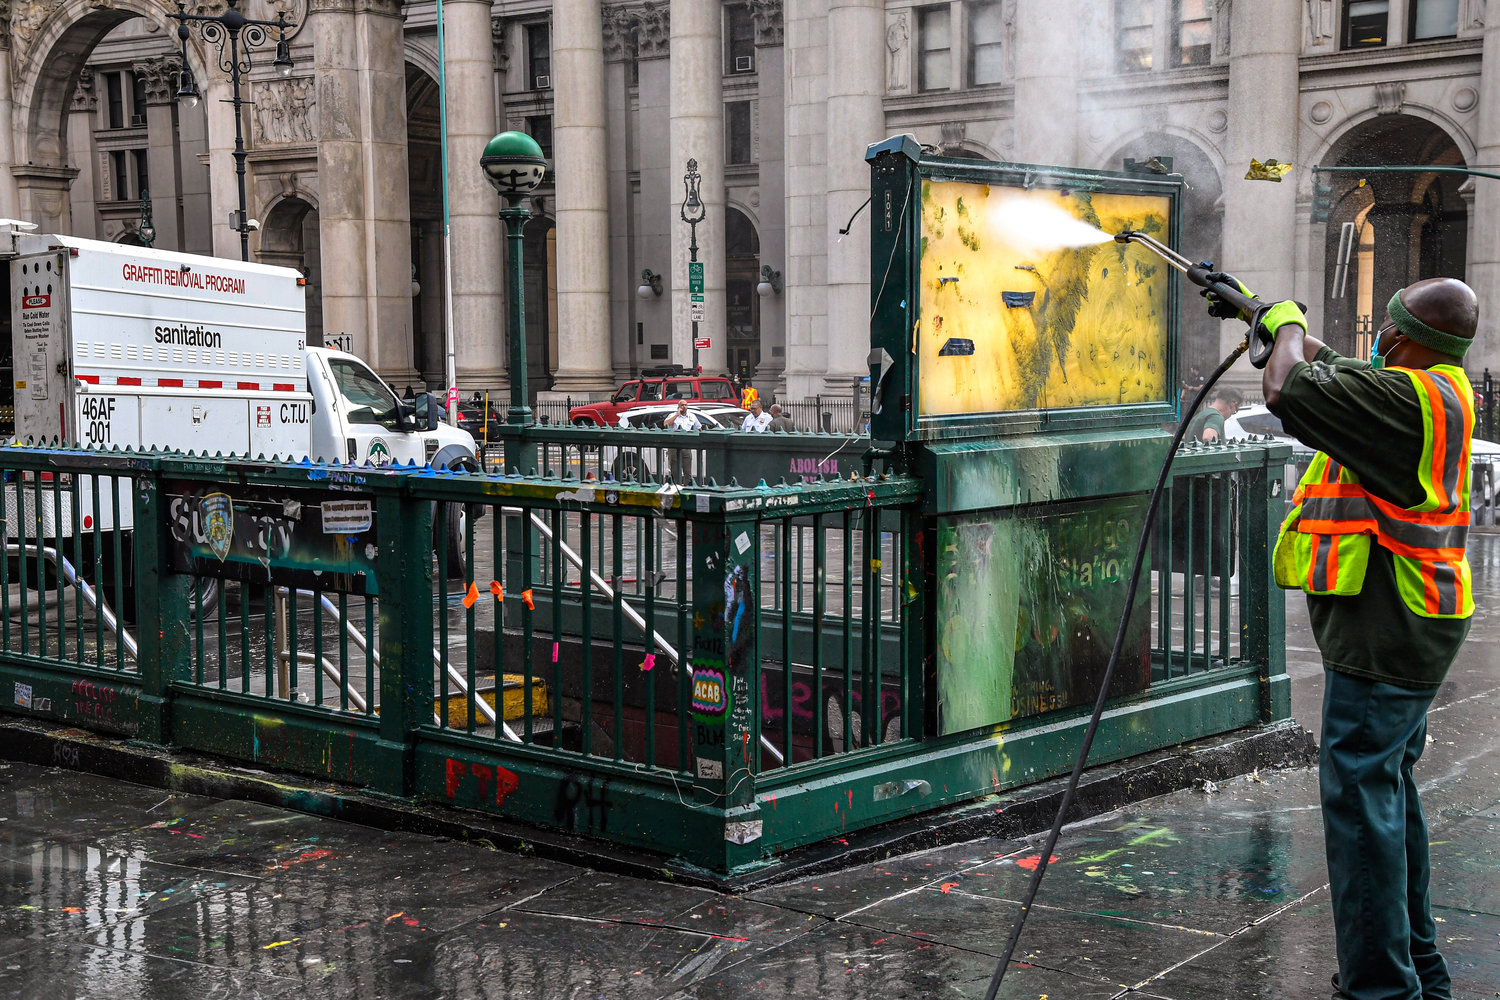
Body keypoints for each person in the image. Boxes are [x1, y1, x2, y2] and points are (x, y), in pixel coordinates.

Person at [1211, 276, 1478, 1000]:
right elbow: (1334, 367)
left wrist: (1289, 325)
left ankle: (1379, 989)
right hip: (1410, 623)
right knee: (1387, 796)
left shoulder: (1410, 400)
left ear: (1417, 341)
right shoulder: (1434, 387)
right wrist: (1257, 310)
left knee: (1361, 813)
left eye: (1393, 326)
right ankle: (1418, 972)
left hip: (1388, 624)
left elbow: (1291, 391)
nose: (1381, 335)